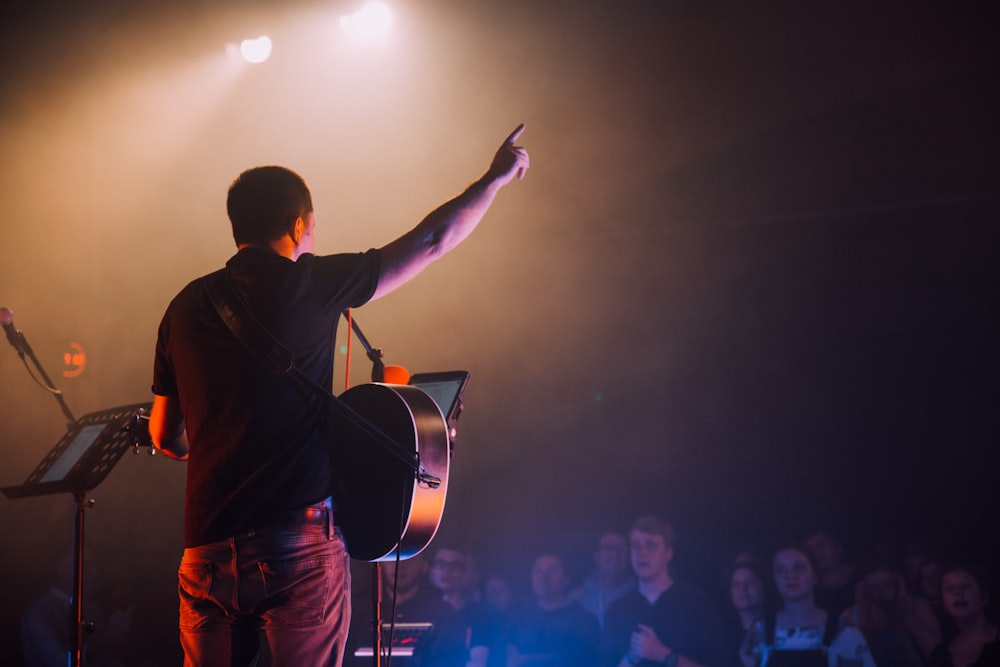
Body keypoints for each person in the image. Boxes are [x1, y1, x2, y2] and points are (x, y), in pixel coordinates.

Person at [148, 125, 530, 667]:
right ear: (299, 224)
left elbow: (165, 436)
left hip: (205, 547)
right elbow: (431, 241)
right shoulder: (311, 282)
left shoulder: (184, 305)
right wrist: (493, 180)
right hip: (295, 546)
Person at [601, 515, 727, 667]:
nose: (642, 553)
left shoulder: (697, 603)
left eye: (651, 545)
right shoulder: (617, 610)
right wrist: (629, 659)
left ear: (668, 553)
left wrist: (663, 655)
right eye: (636, 546)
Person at [739, 545, 876, 667]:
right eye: (781, 570)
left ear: (815, 576)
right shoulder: (760, 630)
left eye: (799, 568)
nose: (790, 575)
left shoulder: (842, 630)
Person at [505, 553, 600, 667]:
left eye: (552, 571)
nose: (543, 576)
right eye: (538, 571)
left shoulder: (583, 619)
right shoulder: (520, 617)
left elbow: (584, 659)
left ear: (565, 580)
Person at [846, 560, 941, 667]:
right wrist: (863, 614)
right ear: (864, 588)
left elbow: (937, 654)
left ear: (898, 582)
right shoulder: (851, 615)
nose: (882, 591)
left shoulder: (918, 606)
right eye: (874, 587)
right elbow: (848, 658)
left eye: (887, 584)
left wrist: (903, 609)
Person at [927, 565, 1000, 667]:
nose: (958, 593)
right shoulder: (940, 655)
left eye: (965, 586)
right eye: (949, 588)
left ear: (984, 596)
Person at [569, 532, 636, 630]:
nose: (615, 554)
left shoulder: (641, 596)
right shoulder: (575, 600)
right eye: (608, 548)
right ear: (596, 556)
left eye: (621, 548)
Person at [723, 562, 768, 667]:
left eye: (750, 583)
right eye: (736, 585)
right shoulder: (723, 635)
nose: (743, 589)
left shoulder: (777, 629)